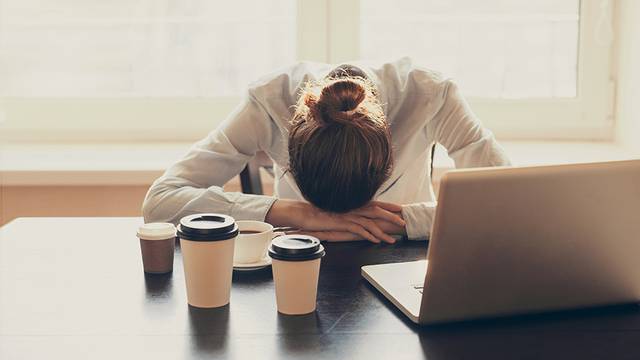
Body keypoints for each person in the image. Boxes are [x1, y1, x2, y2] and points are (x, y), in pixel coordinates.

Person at [143, 57, 510, 243]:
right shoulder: (270, 100)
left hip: (406, 255)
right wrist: (295, 213)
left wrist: (402, 221)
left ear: (388, 148)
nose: (348, 218)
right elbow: (161, 201)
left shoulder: (431, 94)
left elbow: (511, 201)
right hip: (301, 249)